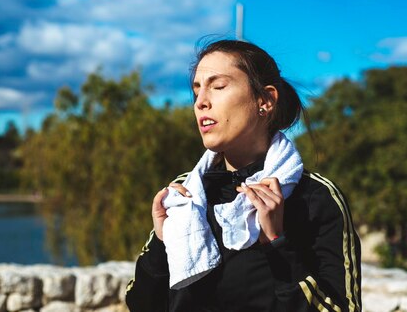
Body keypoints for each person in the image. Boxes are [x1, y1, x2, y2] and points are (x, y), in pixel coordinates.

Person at [126, 39, 362, 312]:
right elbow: (140, 305)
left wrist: (277, 242)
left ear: (265, 100)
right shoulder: (186, 195)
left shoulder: (315, 198)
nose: (201, 102)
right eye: (196, 90)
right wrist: (161, 241)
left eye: (218, 86)